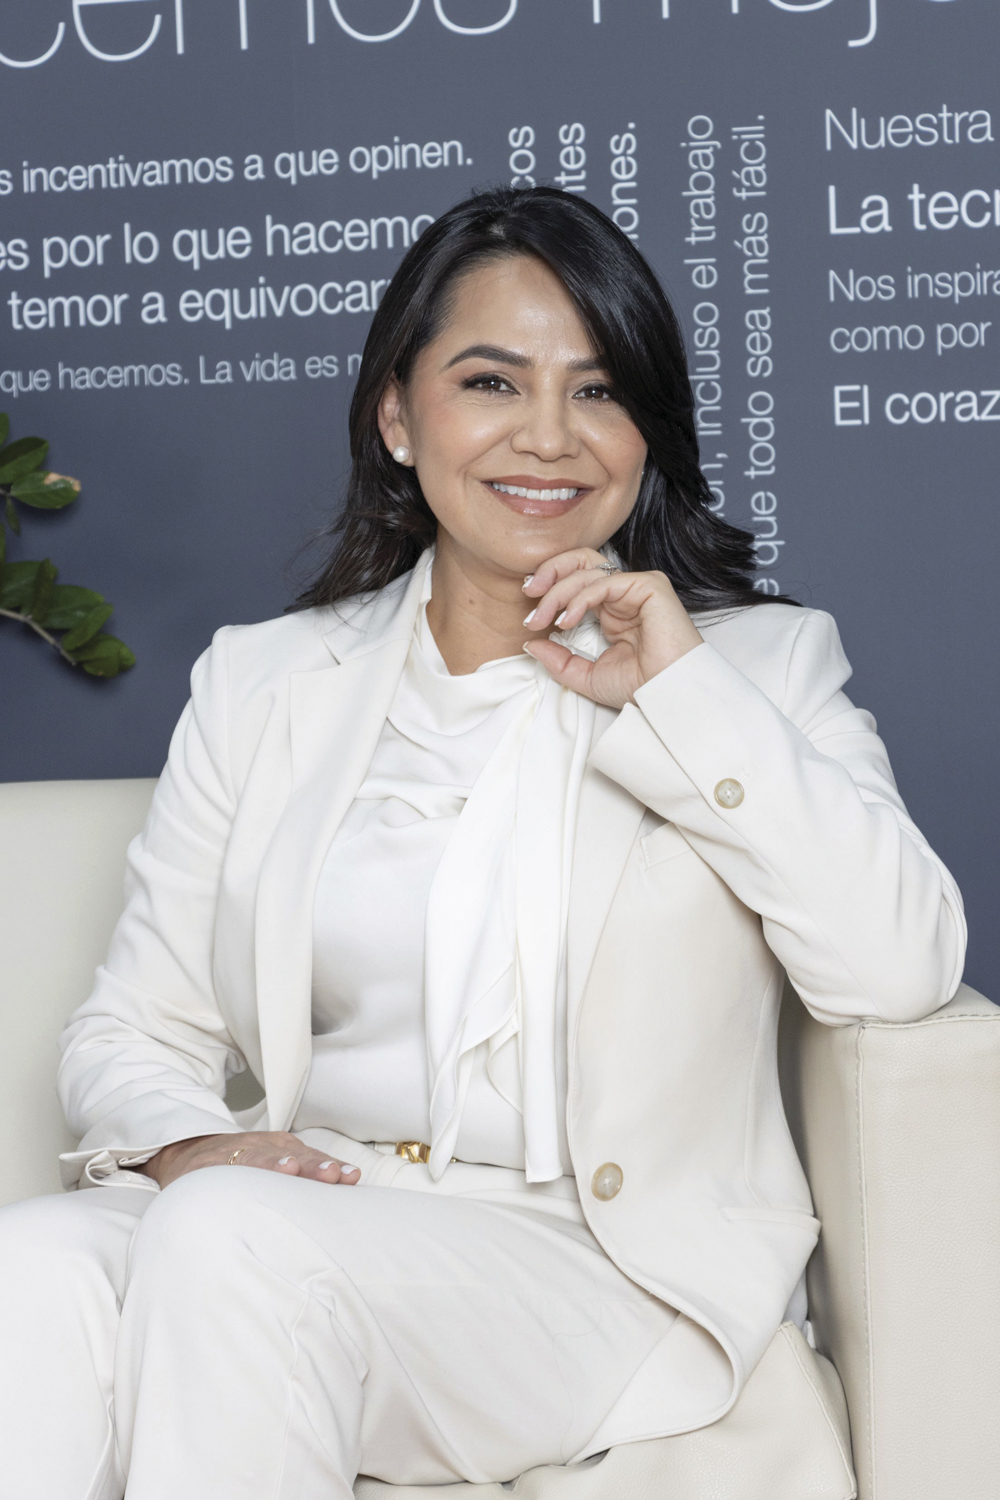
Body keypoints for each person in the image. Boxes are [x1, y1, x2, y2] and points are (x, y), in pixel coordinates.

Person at [0, 187, 965, 1500]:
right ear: (399, 417)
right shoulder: (265, 682)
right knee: (37, 1268)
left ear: (646, 432)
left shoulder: (758, 668)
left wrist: (681, 697)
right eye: (492, 382)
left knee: (229, 1245)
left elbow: (900, 964)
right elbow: (132, 1028)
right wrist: (188, 1147)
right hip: (317, 1210)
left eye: (599, 390)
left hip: (603, 1268)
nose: (549, 437)